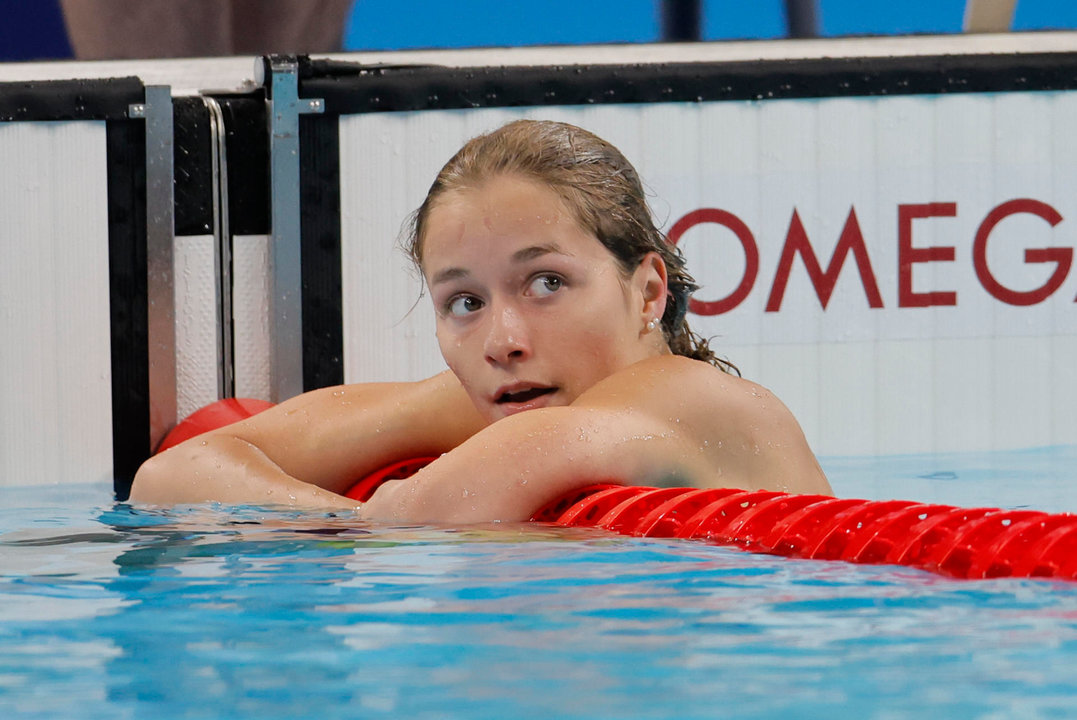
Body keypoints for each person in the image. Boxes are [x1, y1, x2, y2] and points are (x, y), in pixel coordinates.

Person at [130, 119, 832, 521]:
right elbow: (171, 476)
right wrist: (346, 519)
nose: (503, 341)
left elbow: (438, 509)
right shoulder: (507, 398)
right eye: (464, 302)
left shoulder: (688, 397)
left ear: (648, 292)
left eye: (546, 283)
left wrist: (363, 519)